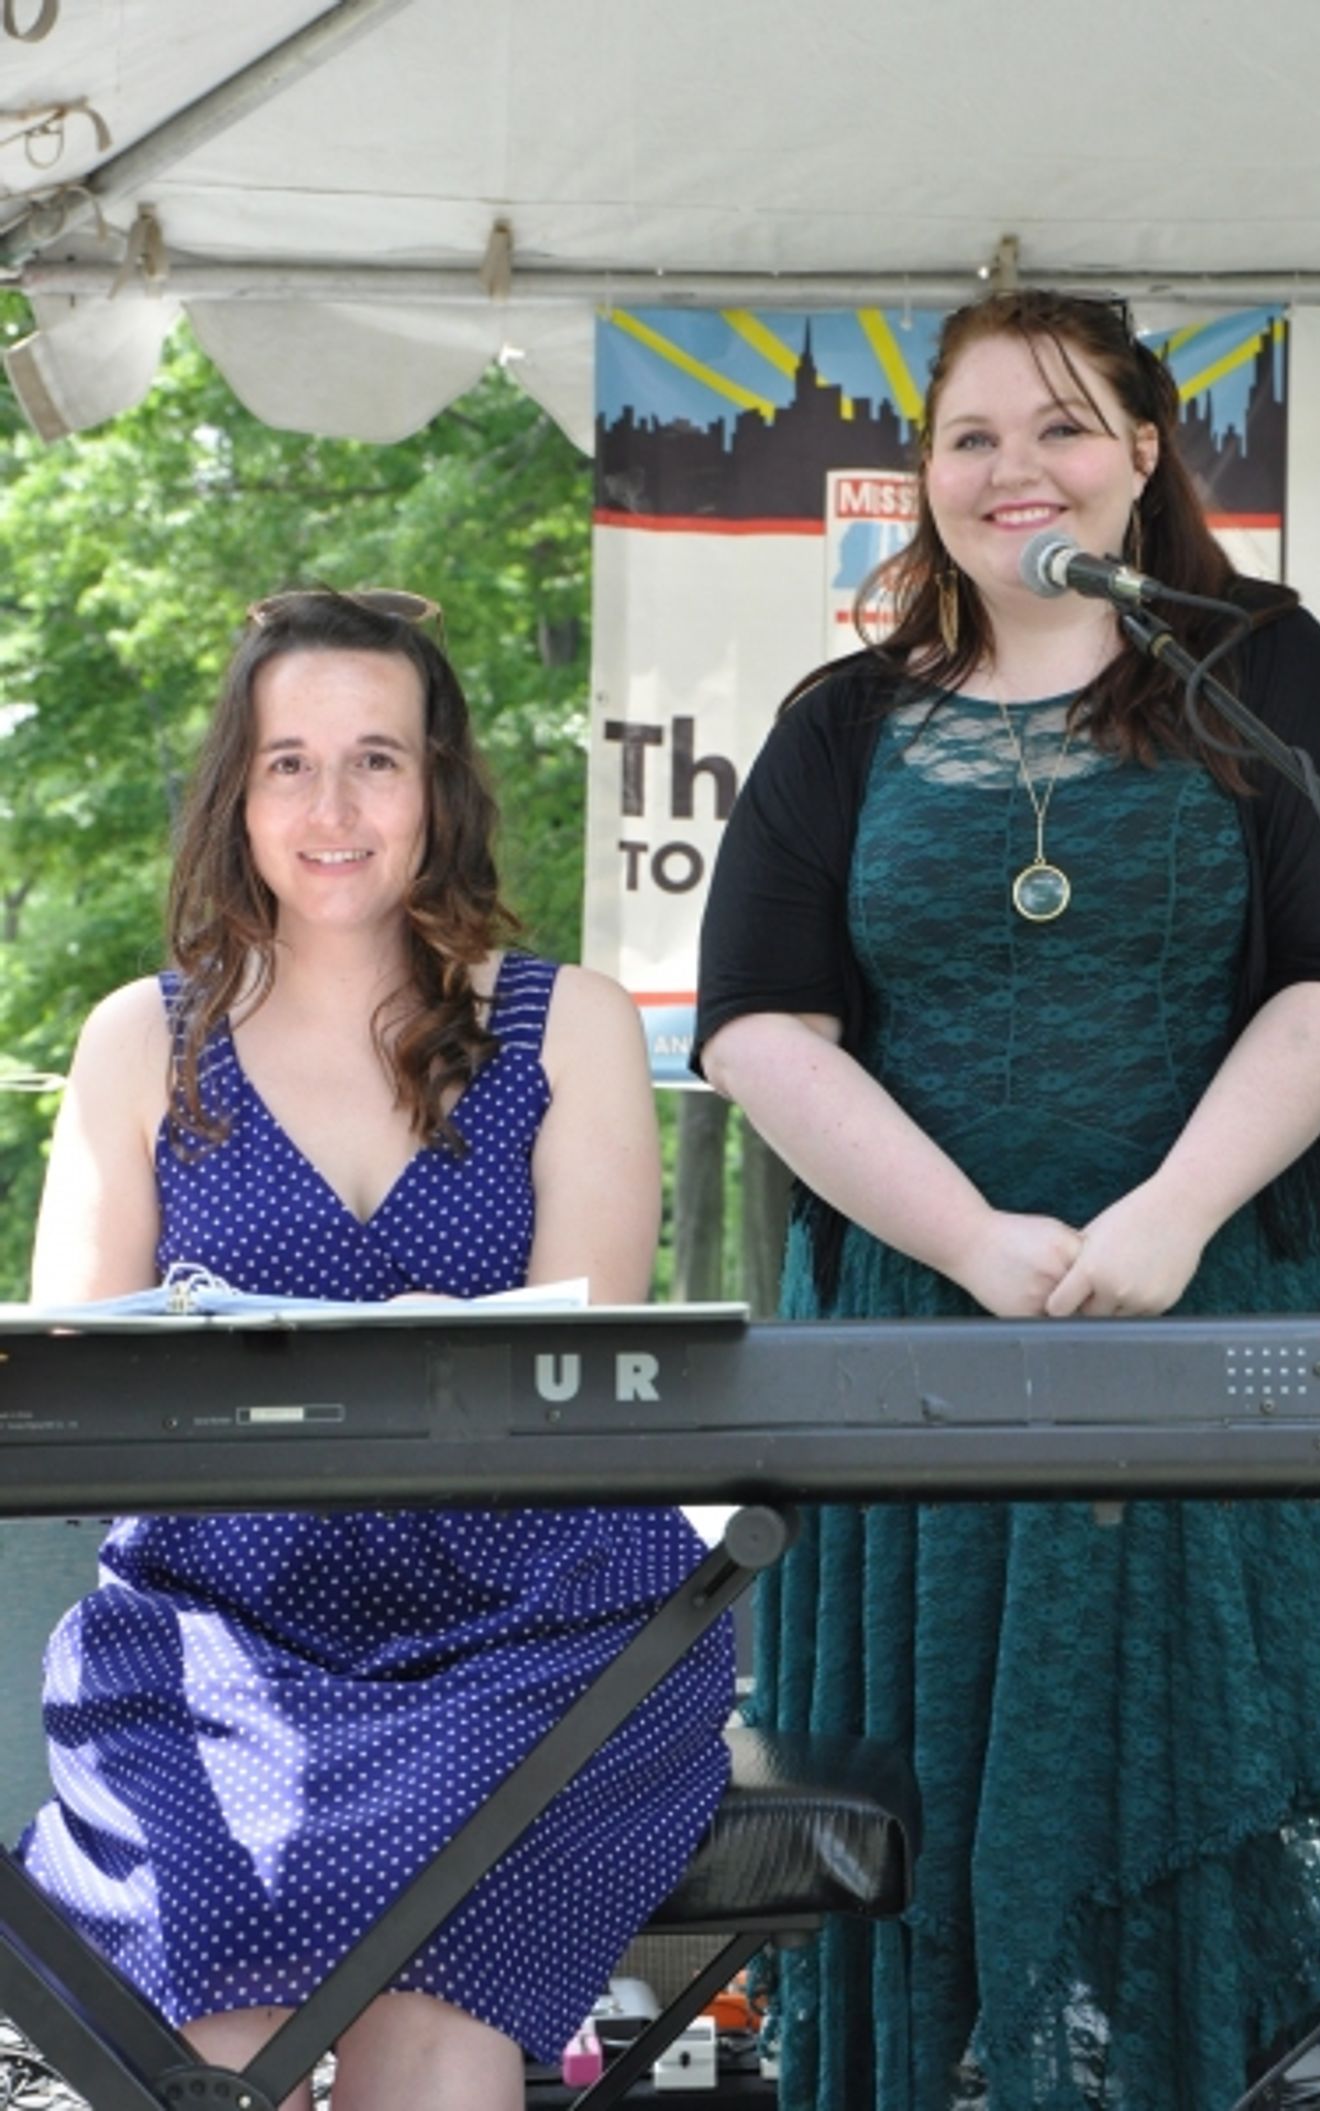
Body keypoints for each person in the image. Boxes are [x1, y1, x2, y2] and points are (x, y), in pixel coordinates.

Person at [693, 290, 1320, 2111]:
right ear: (925, 474)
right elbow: (757, 1026)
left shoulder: (1262, 666)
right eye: (973, 436)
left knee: (1214, 1774)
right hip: (920, 1341)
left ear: (1146, 452)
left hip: (1231, 1305)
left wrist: (1172, 1213)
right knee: (948, 1800)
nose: (1019, 469)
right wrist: (970, 1241)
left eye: (1064, 425)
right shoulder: (843, 723)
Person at [19, 588, 734, 2111]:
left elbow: (586, 1364)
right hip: (219, 1625)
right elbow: (71, 1400)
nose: (331, 808)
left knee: (434, 2007)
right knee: (210, 2045)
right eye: (289, 763)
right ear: (237, 796)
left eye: (376, 761)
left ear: (440, 788)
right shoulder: (139, 1040)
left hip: (540, 1617)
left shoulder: (572, 1024)